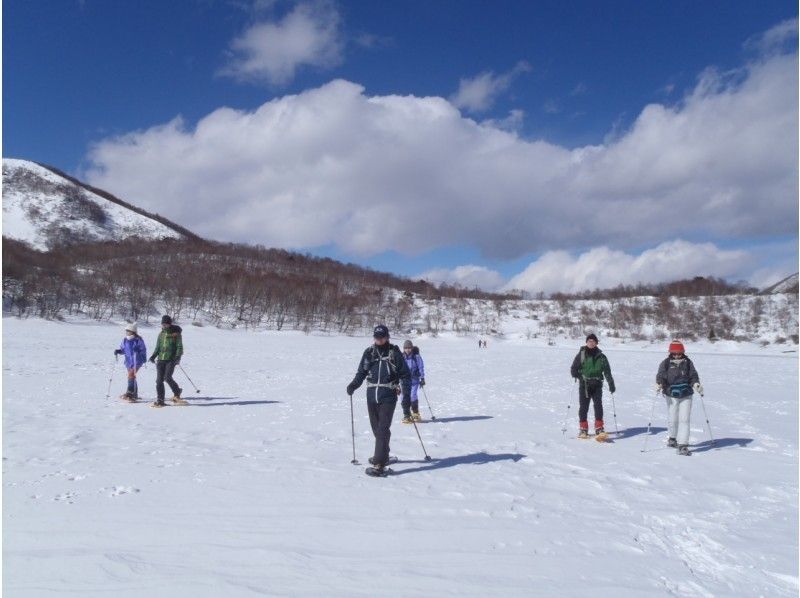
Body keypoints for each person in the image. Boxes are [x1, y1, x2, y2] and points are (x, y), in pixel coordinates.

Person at [346, 325, 411, 475]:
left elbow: (405, 375)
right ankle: (384, 454)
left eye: (382, 337)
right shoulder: (369, 352)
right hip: (371, 396)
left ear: (387, 337)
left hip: (388, 395)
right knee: (377, 429)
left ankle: (379, 464)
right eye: (376, 337)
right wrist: (353, 385)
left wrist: (406, 396)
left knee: (382, 429)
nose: (379, 340)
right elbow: (361, 372)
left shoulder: (394, 352)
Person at [656, 340, 702, 456]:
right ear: (671, 352)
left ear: (683, 352)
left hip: (686, 394)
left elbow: (693, 375)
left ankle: (683, 445)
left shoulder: (688, 363)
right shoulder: (665, 363)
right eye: (675, 353)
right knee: (673, 418)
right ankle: (672, 438)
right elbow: (661, 375)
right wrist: (659, 384)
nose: (677, 355)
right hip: (671, 395)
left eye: (679, 353)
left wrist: (696, 384)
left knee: (684, 420)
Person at [570, 333, 616, 438]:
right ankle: (583, 429)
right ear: (586, 342)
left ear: (596, 343)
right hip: (584, 385)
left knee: (598, 406)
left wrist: (611, 384)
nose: (591, 343)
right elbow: (573, 369)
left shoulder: (602, 357)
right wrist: (580, 377)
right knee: (583, 407)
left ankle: (599, 428)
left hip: (597, 384)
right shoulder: (581, 355)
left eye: (593, 341)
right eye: (589, 341)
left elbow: (607, 372)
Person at [148, 315, 186, 408]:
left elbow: (179, 347)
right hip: (161, 359)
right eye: (163, 324)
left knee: (167, 377)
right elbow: (158, 347)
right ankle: (160, 400)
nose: (164, 326)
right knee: (159, 380)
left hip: (171, 359)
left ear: (169, 324)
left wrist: (177, 357)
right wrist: (153, 356)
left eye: (166, 324)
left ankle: (177, 391)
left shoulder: (176, 334)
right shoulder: (161, 334)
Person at [113, 323, 147, 402]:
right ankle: (135, 394)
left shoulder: (138, 340)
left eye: (128, 331)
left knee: (131, 376)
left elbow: (143, 350)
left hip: (137, 361)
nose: (127, 332)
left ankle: (130, 392)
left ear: (133, 331)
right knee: (132, 377)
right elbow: (123, 350)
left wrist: (138, 351)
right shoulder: (125, 340)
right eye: (126, 331)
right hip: (128, 361)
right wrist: (118, 351)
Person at [401, 340, 426, 422]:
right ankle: (406, 414)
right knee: (403, 397)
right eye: (406, 348)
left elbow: (421, 367)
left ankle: (415, 413)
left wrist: (422, 378)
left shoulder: (416, 357)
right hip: (404, 381)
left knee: (412, 395)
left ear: (411, 348)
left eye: (409, 348)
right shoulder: (401, 357)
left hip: (414, 380)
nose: (407, 350)